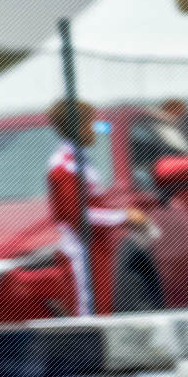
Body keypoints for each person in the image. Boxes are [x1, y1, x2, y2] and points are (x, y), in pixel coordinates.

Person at [46, 100, 146, 316]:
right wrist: (124, 216)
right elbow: (78, 215)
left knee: (101, 308)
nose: (95, 129)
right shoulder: (65, 165)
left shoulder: (80, 160)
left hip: (94, 246)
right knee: (87, 312)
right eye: (91, 123)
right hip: (79, 251)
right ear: (79, 126)